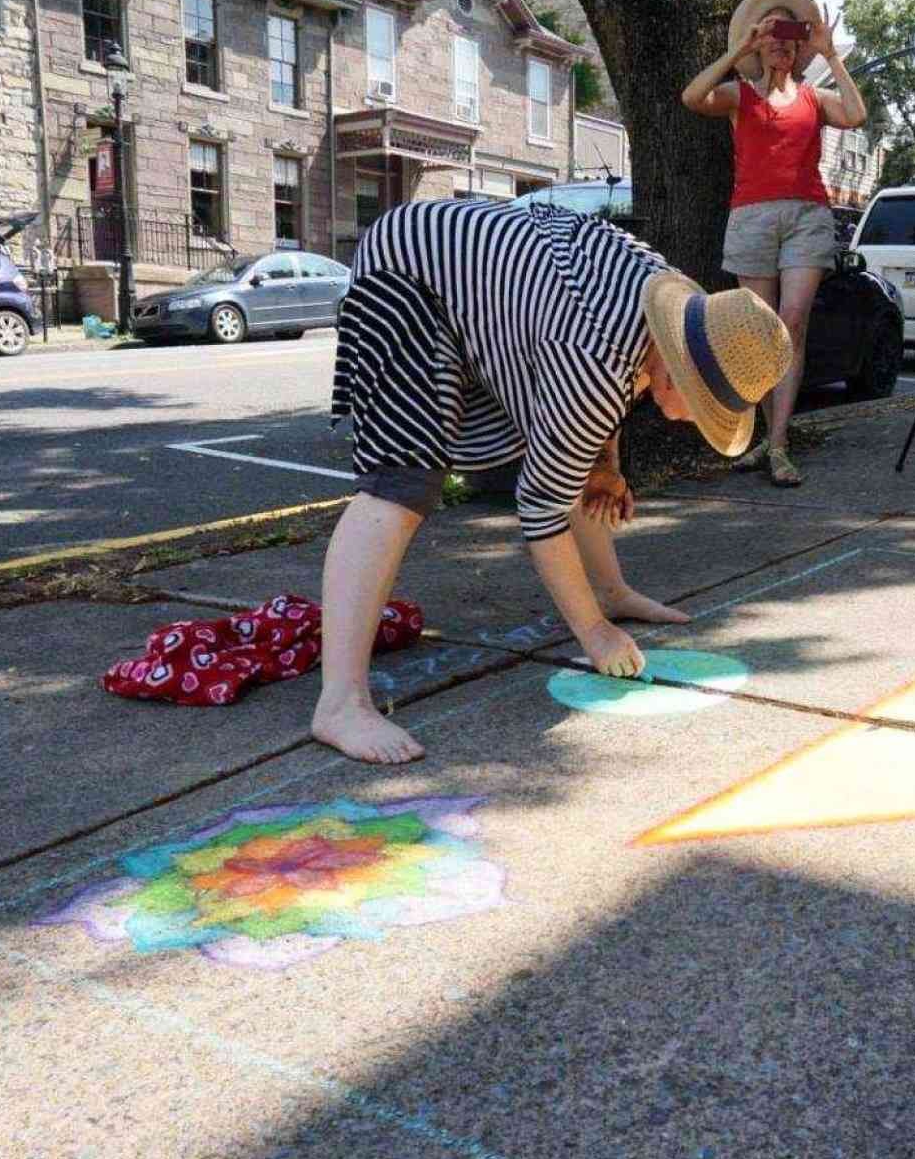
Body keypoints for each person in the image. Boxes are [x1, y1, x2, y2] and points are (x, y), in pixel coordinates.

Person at [315, 199, 792, 764]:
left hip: (474, 277)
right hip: (406, 277)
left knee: (574, 460)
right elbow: (541, 505)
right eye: (702, 407)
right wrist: (592, 632)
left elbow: (604, 398)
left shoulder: (676, 309)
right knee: (402, 483)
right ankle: (340, 704)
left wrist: (606, 466)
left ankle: (611, 591)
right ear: (674, 370)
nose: (695, 422)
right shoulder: (591, 361)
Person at [680, 0, 867, 488]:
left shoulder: (814, 97)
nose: (780, 41)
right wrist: (737, 50)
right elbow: (692, 97)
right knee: (763, 333)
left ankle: (779, 444)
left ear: (800, 44)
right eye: (770, 31)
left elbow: (856, 114)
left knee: (792, 324)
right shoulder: (739, 96)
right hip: (752, 218)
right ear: (758, 42)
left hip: (807, 216)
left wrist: (831, 54)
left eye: (789, 32)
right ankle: (768, 437)